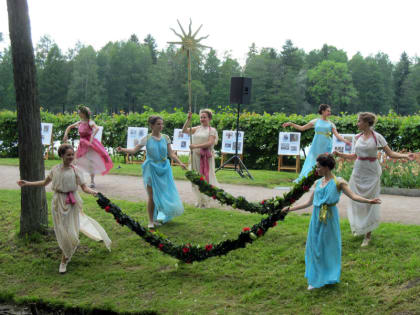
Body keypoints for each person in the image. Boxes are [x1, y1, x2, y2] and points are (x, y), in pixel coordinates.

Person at [282, 153, 381, 290]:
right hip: (316, 218)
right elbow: (308, 203)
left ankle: (329, 276)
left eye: (318, 167)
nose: (316, 170)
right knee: (314, 247)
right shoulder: (318, 183)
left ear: (326, 167)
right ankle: (315, 278)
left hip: (329, 218)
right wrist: (290, 208)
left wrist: (368, 200)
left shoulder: (338, 182)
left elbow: (353, 196)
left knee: (328, 248)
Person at [17, 144, 111, 274]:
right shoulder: (55, 169)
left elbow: (84, 187)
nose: (71, 157)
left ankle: (65, 257)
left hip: (72, 203)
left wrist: (95, 192)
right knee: (62, 231)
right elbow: (44, 183)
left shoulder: (76, 170)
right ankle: (65, 257)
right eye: (68, 155)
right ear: (61, 155)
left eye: (72, 155)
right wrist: (27, 183)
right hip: (58, 203)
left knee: (71, 232)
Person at [333, 112, 414, 247]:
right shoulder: (357, 137)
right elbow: (354, 156)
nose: (357, 124)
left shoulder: (378, 137)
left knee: (371, 202)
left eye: (359, 121)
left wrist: (404, 156)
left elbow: (390, 153)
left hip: (372, 172)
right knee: (356, 200)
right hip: (358, 171)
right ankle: (360, 227)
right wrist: (340, 154)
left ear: (367, 123)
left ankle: (367, 236)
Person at [117, 116, 186, 229]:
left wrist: (180, 163)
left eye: (162, 124)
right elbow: (134, 150)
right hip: (150, 168)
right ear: (152, 125)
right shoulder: (147, 139)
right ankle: (151, 221)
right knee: (152, 195)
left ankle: (159, 217)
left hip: (164, 168)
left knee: (163, 194)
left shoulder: (166, 138)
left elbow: (171, 154)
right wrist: (123, 149)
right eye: (158, 124)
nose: (161, 126)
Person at [283, 104, 351, 183]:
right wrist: (291, 124)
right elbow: (302, 128)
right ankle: (310, 178)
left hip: (326, 144)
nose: (329, 112)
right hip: (316, 144)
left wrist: (345, 141)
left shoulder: (331, 124)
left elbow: (337, 135)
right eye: (328, 111)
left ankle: (324, 178)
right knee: (313, 160)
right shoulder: (316, 121)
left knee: (325, 161)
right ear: (323, 111)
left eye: (330, 111)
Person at [62, 105, 113, 188]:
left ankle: (92, 181)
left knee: (91, 162)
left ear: (83, 113)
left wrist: (92, 136)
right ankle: (75, 179)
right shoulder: (79, 123)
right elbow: (69, 127)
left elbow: (96, 128)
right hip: (82, 144)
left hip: (90, 145)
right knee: (75, 160)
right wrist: (65, 134)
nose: (78, 113)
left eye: (79, 112)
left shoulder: (90, 122)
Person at [182, 109, 219, 208]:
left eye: (204, 117)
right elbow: (184, 131)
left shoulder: (212, 130)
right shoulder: (197, 128)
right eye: (201, 117)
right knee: (196, 178)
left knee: (206, 177)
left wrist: (195, 146)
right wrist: (188, 119)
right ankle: (200, 199)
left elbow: (210, 143)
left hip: (206, 158)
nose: (202, 119)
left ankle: (206, 200)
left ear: (209, 118)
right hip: (195, 156)